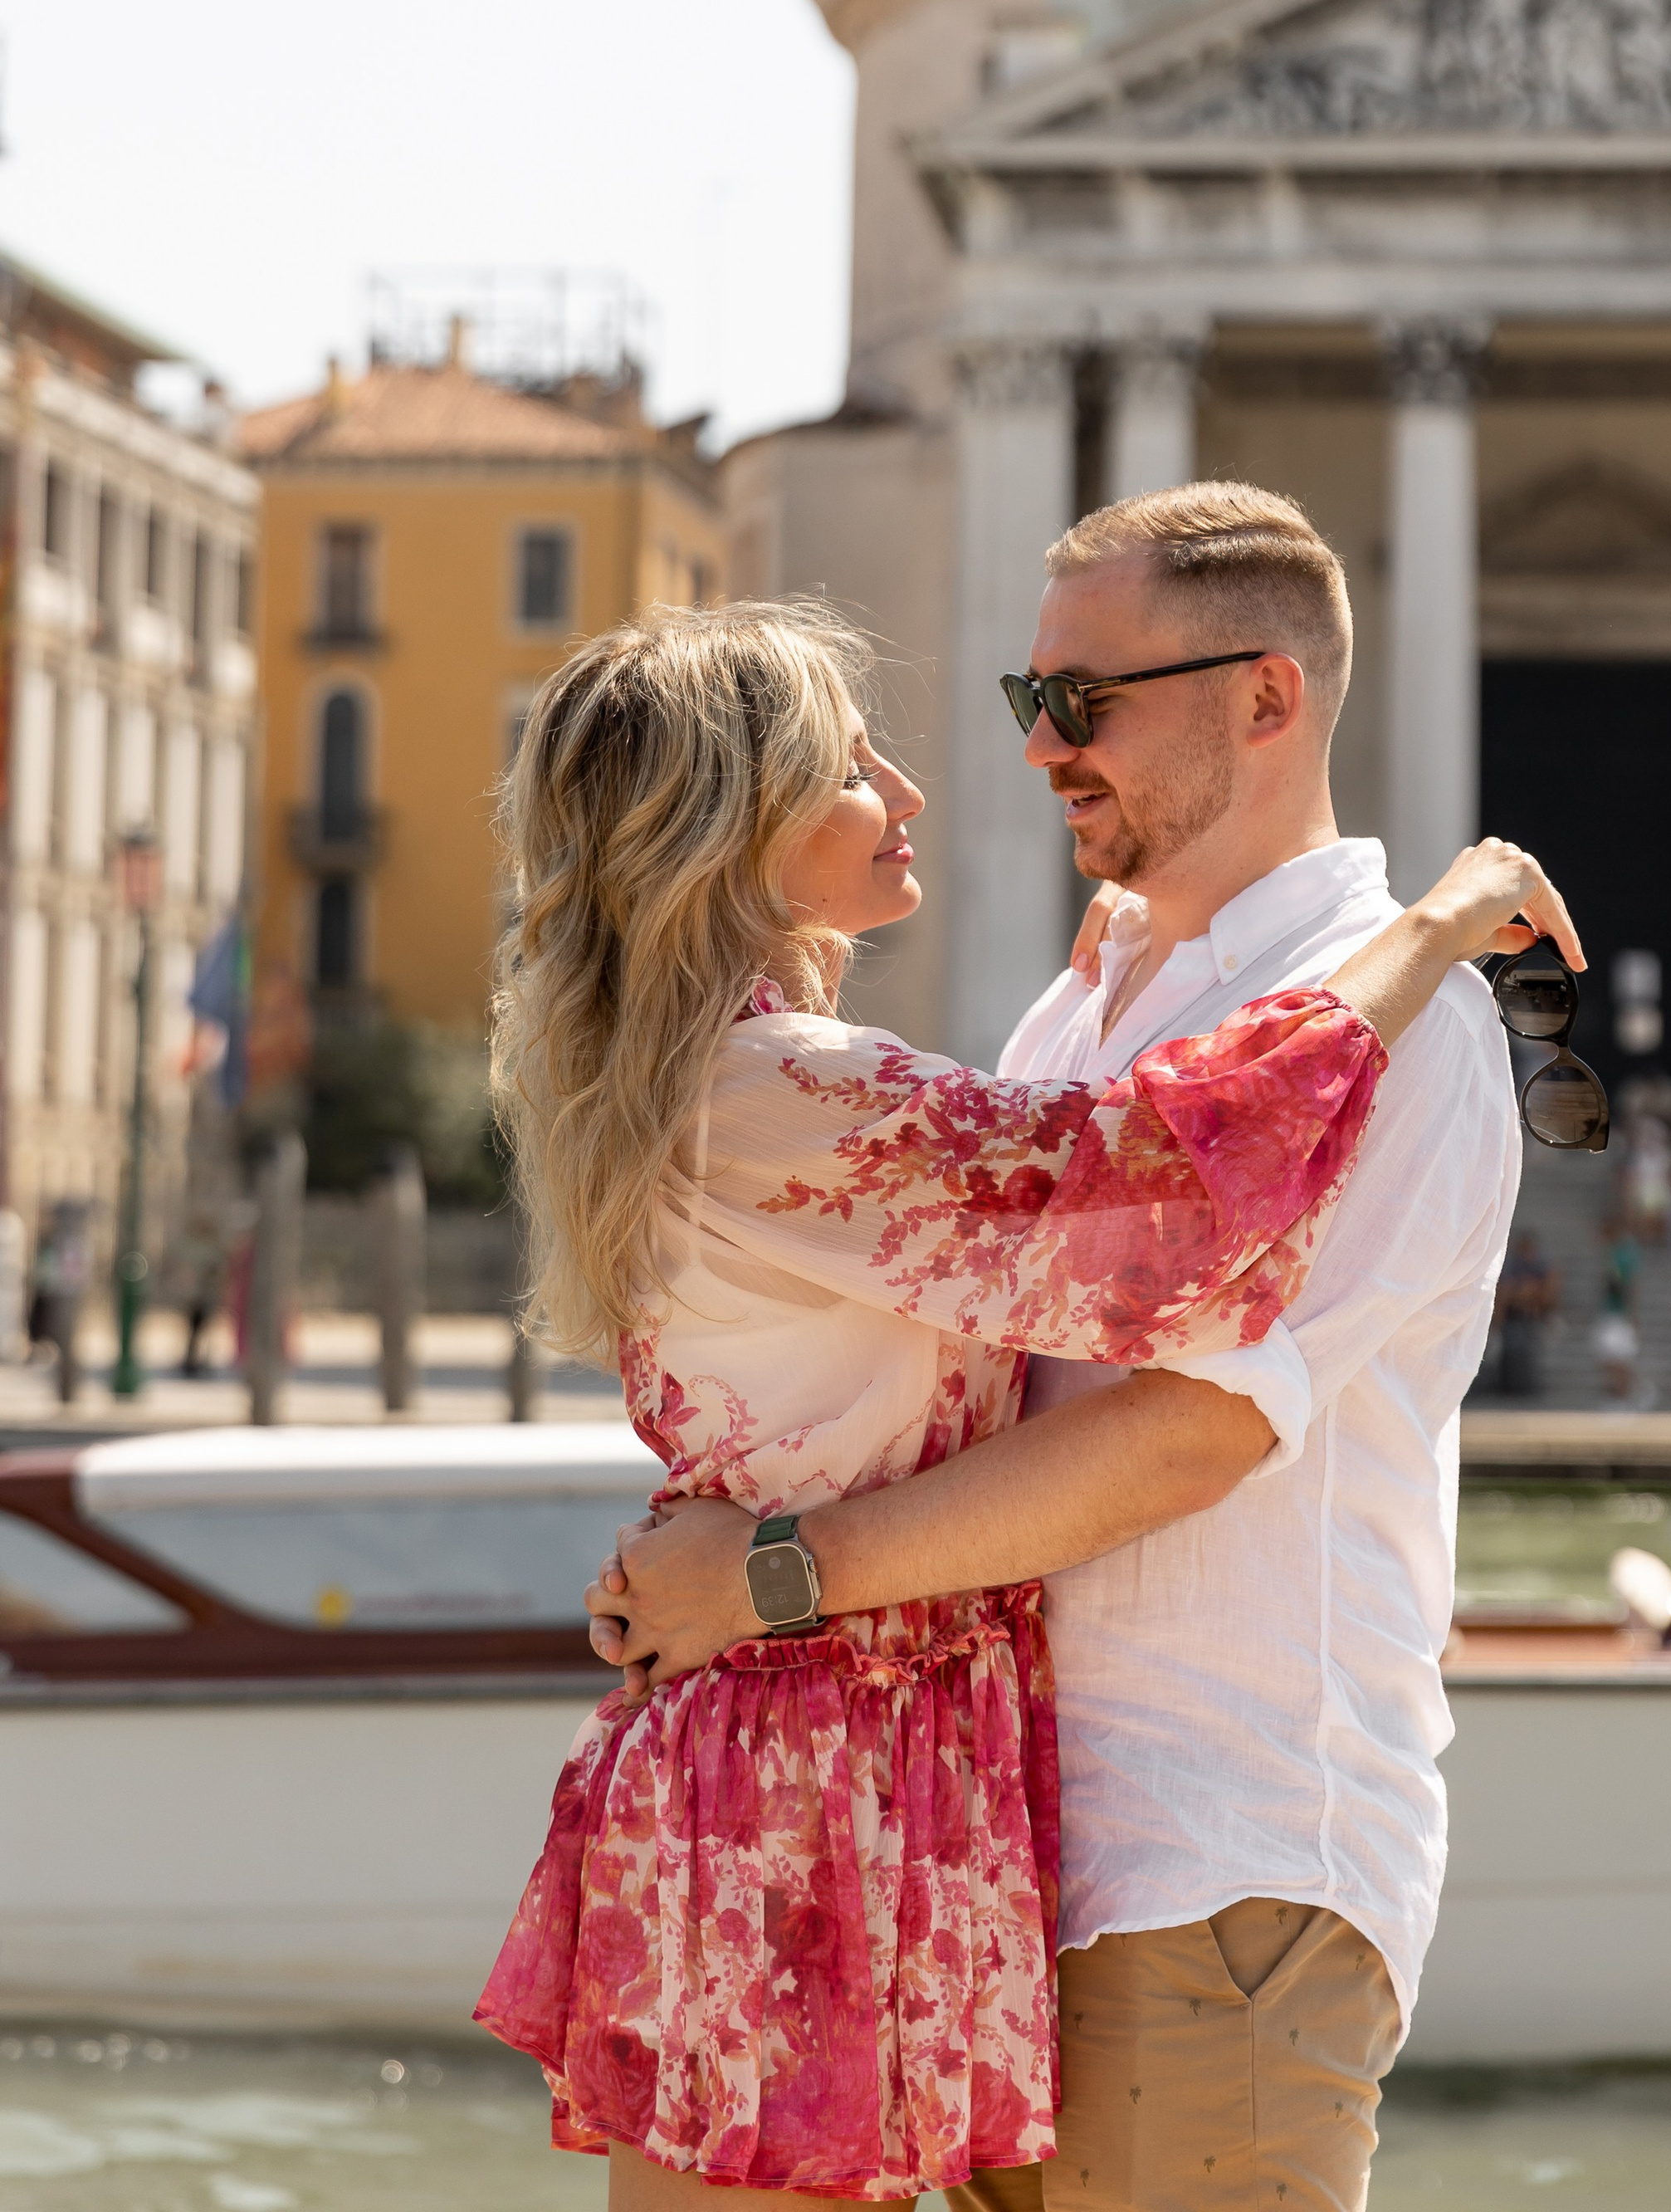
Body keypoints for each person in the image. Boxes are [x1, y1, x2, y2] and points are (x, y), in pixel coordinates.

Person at [480, 580, 1574, 2207]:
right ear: (729, 823)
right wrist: (1416, 936)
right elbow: (1141, 1204)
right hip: (802, 1783)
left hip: (873, 1773)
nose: (913, 794)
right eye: (855, 769)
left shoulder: (745, 1072)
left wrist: (1144, 973)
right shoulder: (783, 1088)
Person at [1493, 1226, 1560, 1397]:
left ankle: (1526, 1385)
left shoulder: (1541, 1265)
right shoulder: (1512, 1265)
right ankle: (1509, 1386)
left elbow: (1547, 1291)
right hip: (1513, 1315)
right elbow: (1505, 1291)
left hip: (1533, 1314)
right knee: (1511, 1351)